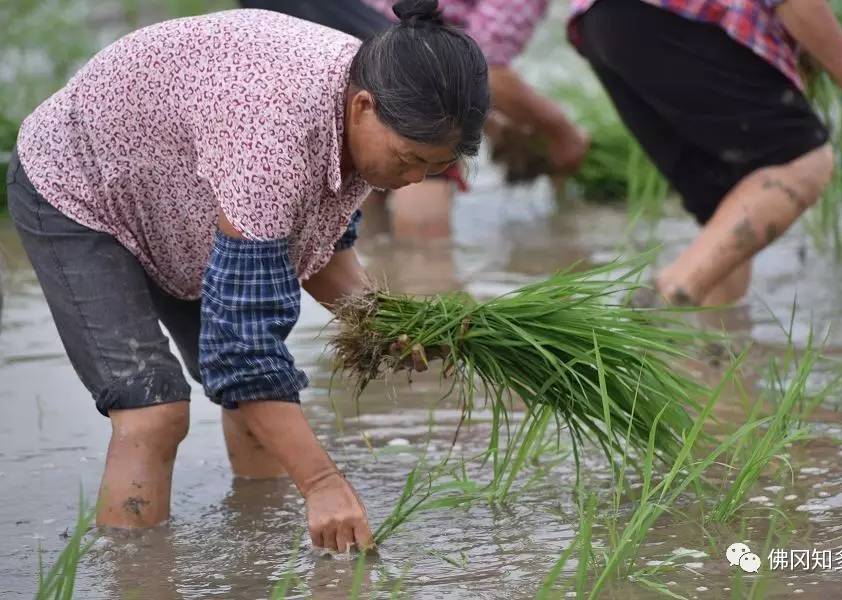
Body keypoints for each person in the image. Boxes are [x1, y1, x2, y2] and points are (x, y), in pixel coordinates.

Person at [6, 0, 489, 553]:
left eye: (433, 168)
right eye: (408, 160)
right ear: (363, 107)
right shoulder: (275, 134)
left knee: (252, 402)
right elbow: (241, 349)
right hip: (83, 186)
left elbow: (320, 250)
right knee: (153, 408)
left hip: (183, 192)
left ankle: (257, 550)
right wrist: (323, 483)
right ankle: (137, 576)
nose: (413, 180)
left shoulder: (372, 95)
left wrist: (392, 325)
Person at [569, 0, 842, 306]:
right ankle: (666, 300)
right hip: (672, 15)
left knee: (727, 213)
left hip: (604, 23)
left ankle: (705, 358)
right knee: (800, 160)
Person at [240, 0, 589, 239]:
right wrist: (562, 132)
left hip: (331, 48)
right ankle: (421, 307)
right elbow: (486, 68)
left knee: (359, 208)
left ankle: (381, 316)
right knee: (425, 244)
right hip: (406, 74)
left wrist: (497, 127)